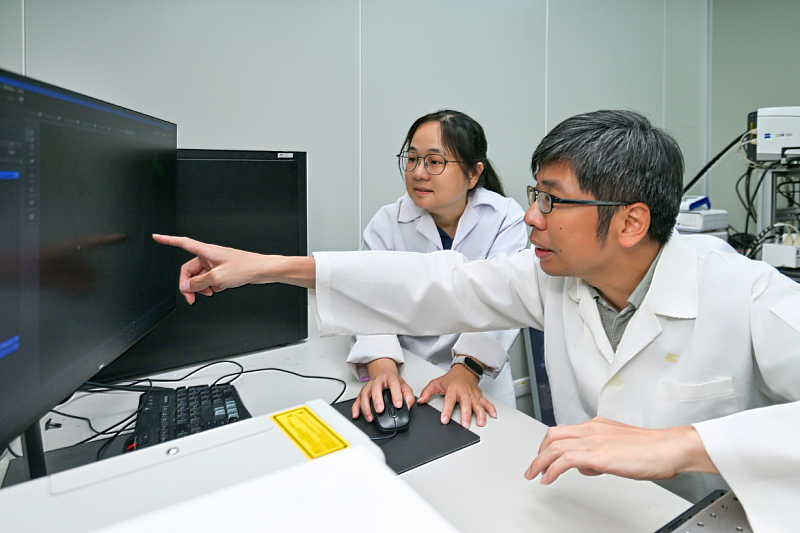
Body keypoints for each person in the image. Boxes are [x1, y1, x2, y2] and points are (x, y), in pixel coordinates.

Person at [153, 110, 800, 532]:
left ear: (630, 221)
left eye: (553, 200)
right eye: (534, 193)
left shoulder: (745, 293)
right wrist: (267, 266)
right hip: (593, 509)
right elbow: (437, 283)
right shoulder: (555, 277)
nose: (529, 216)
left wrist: (682, 444)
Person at [349, 110, 527, 429]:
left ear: (474, 174)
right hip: (406, 375)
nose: (418, 173)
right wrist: (382, 367)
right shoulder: (387, 223)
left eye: (434, 162)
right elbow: (367, 303)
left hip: (478, 382)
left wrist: (466, 369)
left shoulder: (504, 217)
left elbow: (505, 300)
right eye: (412, 159)